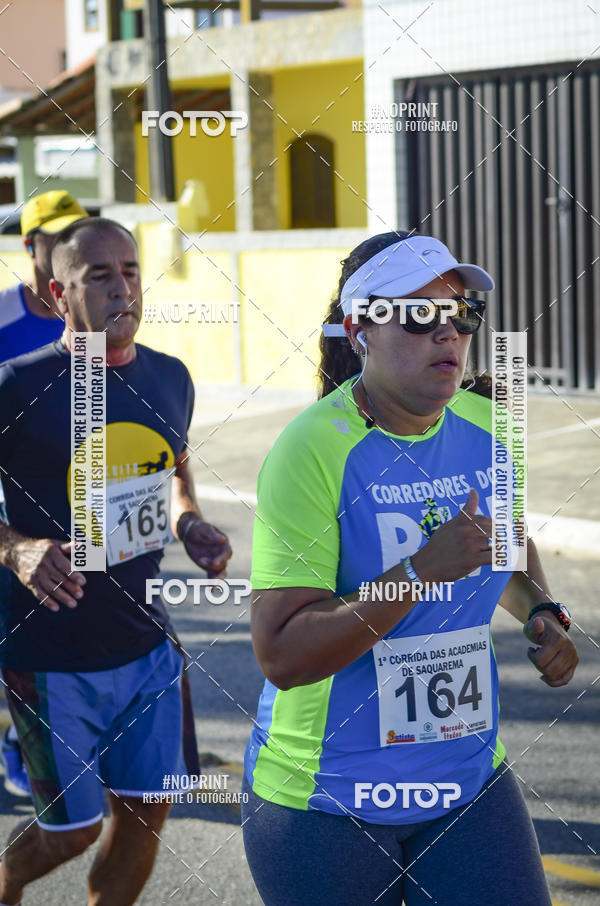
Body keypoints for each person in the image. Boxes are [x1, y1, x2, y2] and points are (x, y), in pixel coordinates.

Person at [241, 231, 578, 906]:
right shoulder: (311, 450)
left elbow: (501, 547)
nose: (447, 334)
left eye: (461, 315)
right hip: (326, 794)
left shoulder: (491, 422)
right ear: (361, 329)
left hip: (465, 776)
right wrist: (421, 570)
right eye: (420, 317)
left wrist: (541, 609)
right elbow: (280, 652)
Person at [0, 217, 232, 906]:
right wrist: (18, 548)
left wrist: (190, 521)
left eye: (129, 270)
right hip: (46, 651)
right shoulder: (16, 383)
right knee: (72, 831)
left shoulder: (170, 377)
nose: (120, 286)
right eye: (98, 275)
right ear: (58, 292)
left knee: (145, 813)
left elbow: (175, 468)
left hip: (145, 643)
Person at [0, 190, 89, 797]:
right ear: (30, 246)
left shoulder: (85, 318)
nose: (65, 247)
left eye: (74, 235)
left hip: (71, 512)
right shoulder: (3, 316)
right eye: (55, 237)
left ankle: (21, 739)